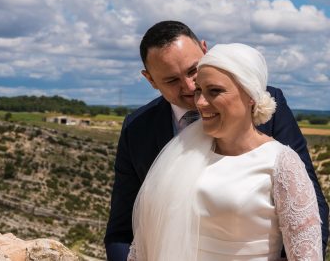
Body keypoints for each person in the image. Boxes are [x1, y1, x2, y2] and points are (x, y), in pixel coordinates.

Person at [104, 21, 329, 260]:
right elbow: (121, 231)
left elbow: (307, 206)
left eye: (193, 70)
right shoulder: (137, 129)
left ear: (205, 50)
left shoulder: (262, 99)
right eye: (172, 80)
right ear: (150, 80)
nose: (191, 88)